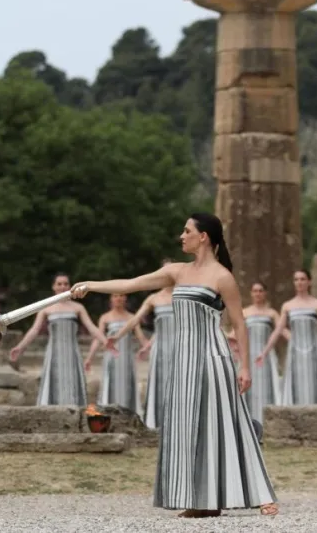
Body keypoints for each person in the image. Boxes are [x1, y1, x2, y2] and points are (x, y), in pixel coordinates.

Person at [71, 213, 277, 518]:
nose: (181, 236)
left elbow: (239, 324)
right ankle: (201, 501)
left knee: (230, 423)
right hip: (183, 361)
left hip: (213, 357)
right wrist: (90, 285)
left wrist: (245, 367)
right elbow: (131, 284)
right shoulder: (177, 272)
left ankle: (261, 494)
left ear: (204, 236)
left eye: (187, 231)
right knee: (186, 426)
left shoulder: (222, 277)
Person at [9, 273, 109, 406]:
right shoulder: (46, 308)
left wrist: (106, 341)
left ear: (70, 286)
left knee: (72, 382)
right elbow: (34, 330)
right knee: (54, 381)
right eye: (59, 284)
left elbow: (91, 327)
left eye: (66, 284)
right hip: (54, 353)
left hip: (72, 353)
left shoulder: (78, 308)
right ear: (54, 287)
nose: (63, 286)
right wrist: (20, 347)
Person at [256, 270, 317, 405]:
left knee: (314, 385)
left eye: (302, 279)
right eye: (296, 280)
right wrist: (264, 352)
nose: (299, 282)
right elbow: (278, 330)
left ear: (309, 282)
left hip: (314, 351)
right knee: (295, 385)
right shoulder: (288, 306)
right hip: (295, 352)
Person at [108, 263, 175, 429]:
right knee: (161, 384)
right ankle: (158, 424)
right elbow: (134, 319)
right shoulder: (153, 299)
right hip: (160, 350)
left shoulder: (186, 295)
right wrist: (117, 336)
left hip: (182, 347)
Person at [242, 282, 287, 423]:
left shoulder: (272, 313)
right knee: (250, 388)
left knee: (268, 386)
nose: (258, 294)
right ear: (251, 293)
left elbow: (282, 330)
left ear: (265, 293)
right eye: (255, 291)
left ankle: (268, 422)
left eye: (261, 290)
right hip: (249, 357)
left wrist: (295, 339)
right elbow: (235, 333)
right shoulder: (244, 312)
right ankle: (250, 422)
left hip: (266, 356)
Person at [96, 293, 141, 415]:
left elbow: (141, 337)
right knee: (110, 385)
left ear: (125, 298)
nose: (119, 298)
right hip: (111, 358)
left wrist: (148, 347)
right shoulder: (105, 318)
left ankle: (129, 416)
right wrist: (89, 357)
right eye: (115, 296)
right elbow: (98, 338)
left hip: (127, 359)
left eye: (121, 295)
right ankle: (108, 415)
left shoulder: (132, 317)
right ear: (111, 299)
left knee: (127, 387)